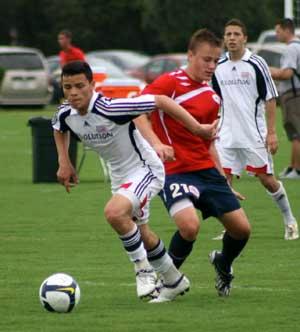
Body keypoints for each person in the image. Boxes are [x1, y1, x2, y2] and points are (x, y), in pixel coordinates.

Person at [52, 61, 219, 303]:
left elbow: (160, 101)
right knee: (142, 233)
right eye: (67, 87)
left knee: (114, 213)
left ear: (92, 85)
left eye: (80, 86)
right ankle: (174, 280)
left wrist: (198, 129)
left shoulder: (112, 108)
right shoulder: (65, 112)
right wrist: (64, 162)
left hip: (146, 170)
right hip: (120, 177)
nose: (73, 92)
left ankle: (144, 270)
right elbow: (58, 127)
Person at [134, 28, 251, 297]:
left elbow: (209, 142)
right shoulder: (169, 83)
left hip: (206, 171)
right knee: (189, 226)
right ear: (190, 55)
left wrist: (223, 179)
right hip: (174, 171)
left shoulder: (212, 96)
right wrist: (157, 144)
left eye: (216, 60)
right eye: (206, 59)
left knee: (241, 229)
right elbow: (138, 112)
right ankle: (168, 282)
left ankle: (223, 263)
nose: (211, 66)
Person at [212, 18, 298, 240]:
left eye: (236, 34)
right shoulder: (218, 67)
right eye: (228, 34)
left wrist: (271, 132)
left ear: (245, 38)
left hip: (254, 134)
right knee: (224, 181)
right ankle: (231, 227)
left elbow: (270, 99)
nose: (231, 38)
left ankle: (289, 220)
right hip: (227, 135)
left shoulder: (256, 63)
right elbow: (215, 100)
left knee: (267, 180)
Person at [269, 18, 300, 179]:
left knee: (296, 133)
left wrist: (267, 71)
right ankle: (292, 167)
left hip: (294, 95)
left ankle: (297, 169)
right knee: (294, 132)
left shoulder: (291, 48)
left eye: (278, 31)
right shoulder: (297, 46)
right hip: (295, 94)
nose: (276, 34)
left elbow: (287, 73)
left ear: (287, 30)